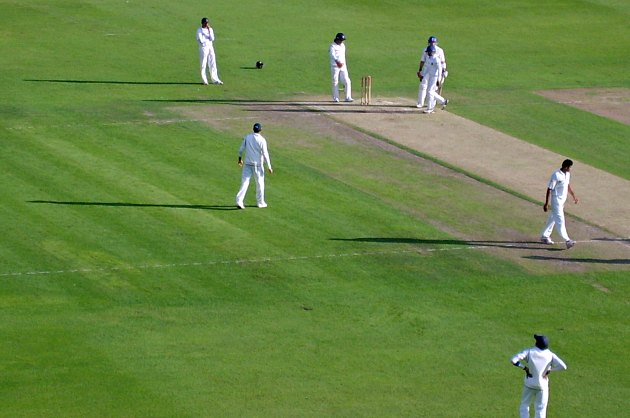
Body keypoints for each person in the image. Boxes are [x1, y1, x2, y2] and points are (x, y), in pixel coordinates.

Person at [511, 334, 567, 418]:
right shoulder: (550, 355)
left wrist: (524, 368)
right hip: (542, 386)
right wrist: (549, 370)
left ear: (537, 343)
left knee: (524, 405)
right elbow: (563, 366)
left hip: (529, 384)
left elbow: (513, 360)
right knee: (541, 410)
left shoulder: (529, 352)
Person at [540, 159, 579, 249]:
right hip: (556, 200)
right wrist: (546, 203)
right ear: (566, 167)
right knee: (560, 220)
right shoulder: (556, 175)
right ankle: (567, 240)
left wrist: (573, 195)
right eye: (570, 167)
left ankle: (544, 236)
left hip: (562, 201)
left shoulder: (568, 174)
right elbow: (549, 189)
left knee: (553, 218)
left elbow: (567, 185)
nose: (570, 169)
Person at [236, 123, 273, 209]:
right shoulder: (262, 140)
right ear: (260, 130)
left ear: (253, 129)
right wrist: (269, 166)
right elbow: (265, 154)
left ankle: (239, 201)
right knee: (260, 184)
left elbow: (241, 149)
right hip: (258, 166)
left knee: (244, 183)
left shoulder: (247, 137)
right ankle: (260, 203)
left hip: (247, 164)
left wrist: (239, 158)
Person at [417, 36, 447, 108]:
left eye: (433, 42)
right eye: (431, 42)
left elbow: (442, 62)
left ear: (436, 43)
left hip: (435, 72)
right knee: (423, 85)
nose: (432, 43)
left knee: (432, 89)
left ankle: (432, 104)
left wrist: (444, 71)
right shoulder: (426, 49)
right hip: (426, 69)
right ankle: (420, 103)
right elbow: (422, 61)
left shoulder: (440, 50)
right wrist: (420, 70)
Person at [197, 17, 223, 85]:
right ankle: (204, 80)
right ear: (202, 23)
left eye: (207, 23)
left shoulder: (210, 29)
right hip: (203, 48)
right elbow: (201, 40)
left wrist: (209, 30)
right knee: (203, 63)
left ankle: (215, 79)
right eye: (205, 23)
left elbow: (212, 38)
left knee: (213, 63)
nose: (206, 24)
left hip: (210, 47)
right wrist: (206, 39)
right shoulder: (199, 30)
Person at [329, 32, 353, 103]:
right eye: (341, 40)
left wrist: (343, 64)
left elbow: (342, 56)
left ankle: (348, 97)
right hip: (335, 66)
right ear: (337, 39)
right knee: (335, 82)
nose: (342, 42)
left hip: (343, 66)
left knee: (347, 81)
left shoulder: (343, 45)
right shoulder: (332, 46)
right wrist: (337, 62)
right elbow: (332, 55)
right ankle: (336, 98)